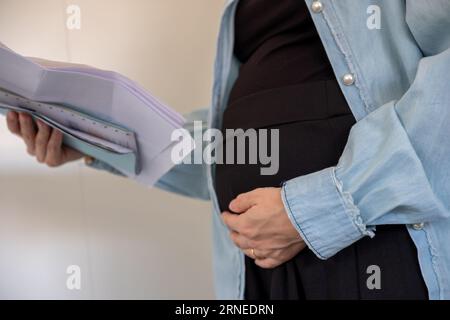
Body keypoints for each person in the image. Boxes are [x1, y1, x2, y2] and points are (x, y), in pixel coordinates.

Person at [5, 0, 450, 300]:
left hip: (375, 238)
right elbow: (232, 151)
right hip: (258, 264)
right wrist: (94, 142)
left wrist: (322, 208)